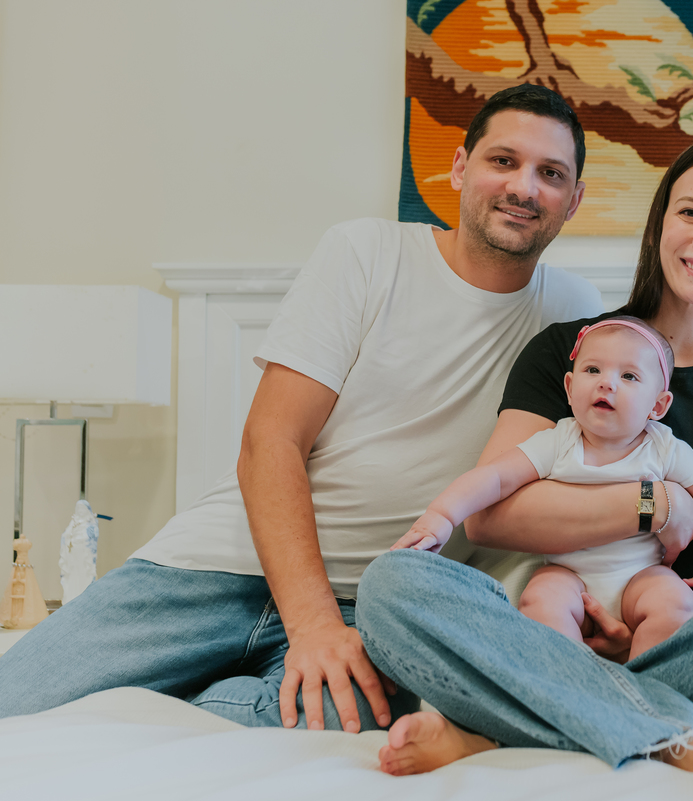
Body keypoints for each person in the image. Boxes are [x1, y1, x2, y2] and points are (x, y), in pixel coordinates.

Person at [0, 84, 604, 732]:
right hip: (218, 571)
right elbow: (270, 441)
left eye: (550, 174)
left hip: (369, 610)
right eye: (503, 161)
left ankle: (164, 715)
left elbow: (571, 479)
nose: (524, 187)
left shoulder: (576, 317)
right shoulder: (368, 253)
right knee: (16, 711)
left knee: (333, 731)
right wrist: (309, 620)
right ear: (460, 167)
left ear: (573, 200)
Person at [353, 130, 693, 780]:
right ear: (661, 221)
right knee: (393, 583)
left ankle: (506, 730)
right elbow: (490, 516)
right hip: (558, 623)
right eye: (689, 212)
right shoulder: (573, 353)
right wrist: (653, 505)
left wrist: (676, 614)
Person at [392, 315, 693, 660]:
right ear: (570, 388)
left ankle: (646, 691)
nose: (607, 383)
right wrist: (440, 516)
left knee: (675, 602)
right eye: (593, 370)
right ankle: (566, 686)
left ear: (658, 405)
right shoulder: (558, 442)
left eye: (629, 376)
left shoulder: (664, 448)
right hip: (569, 575)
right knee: (541, 598)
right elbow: (494, 478)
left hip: (640, 575)